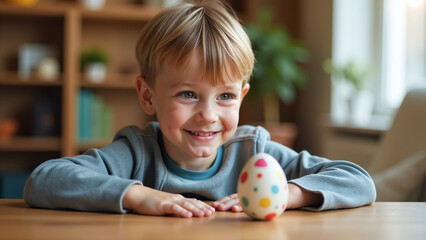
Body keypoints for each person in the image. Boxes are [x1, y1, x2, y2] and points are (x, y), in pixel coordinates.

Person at [24, 0, 376, 218]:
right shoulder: (135, 154)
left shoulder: (255, 152)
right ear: (147, 96)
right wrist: (140, 196)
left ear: (242, 95)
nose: (208, 114)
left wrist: (288, 193)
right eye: (188, 95)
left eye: (225, 97)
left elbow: (358, 181)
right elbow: (43, 181)